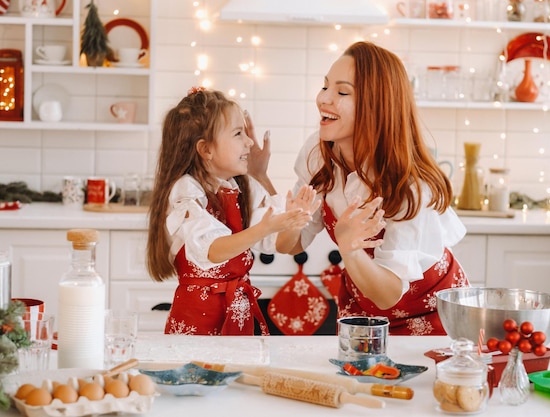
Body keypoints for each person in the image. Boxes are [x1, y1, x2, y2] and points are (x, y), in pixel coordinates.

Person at [281, 41, 469, 335]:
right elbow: (292, 244)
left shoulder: (409, 186)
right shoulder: (318, 155)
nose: (323, 99)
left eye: (342, 92)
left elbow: (387, 293)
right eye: (325, 86)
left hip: (430, 317)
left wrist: (350, 249)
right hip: (365, 310)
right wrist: (290, 220)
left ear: (377, 107)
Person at [146, 87, 319, 336]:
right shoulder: (186, 190)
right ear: (206, 150)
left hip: (237, 315)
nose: (249, 141)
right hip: (198, 325)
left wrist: (294, 221)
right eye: (239, 133)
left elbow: (280, 244)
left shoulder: (237, 187)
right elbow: (214, 250)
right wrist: (265, 227)